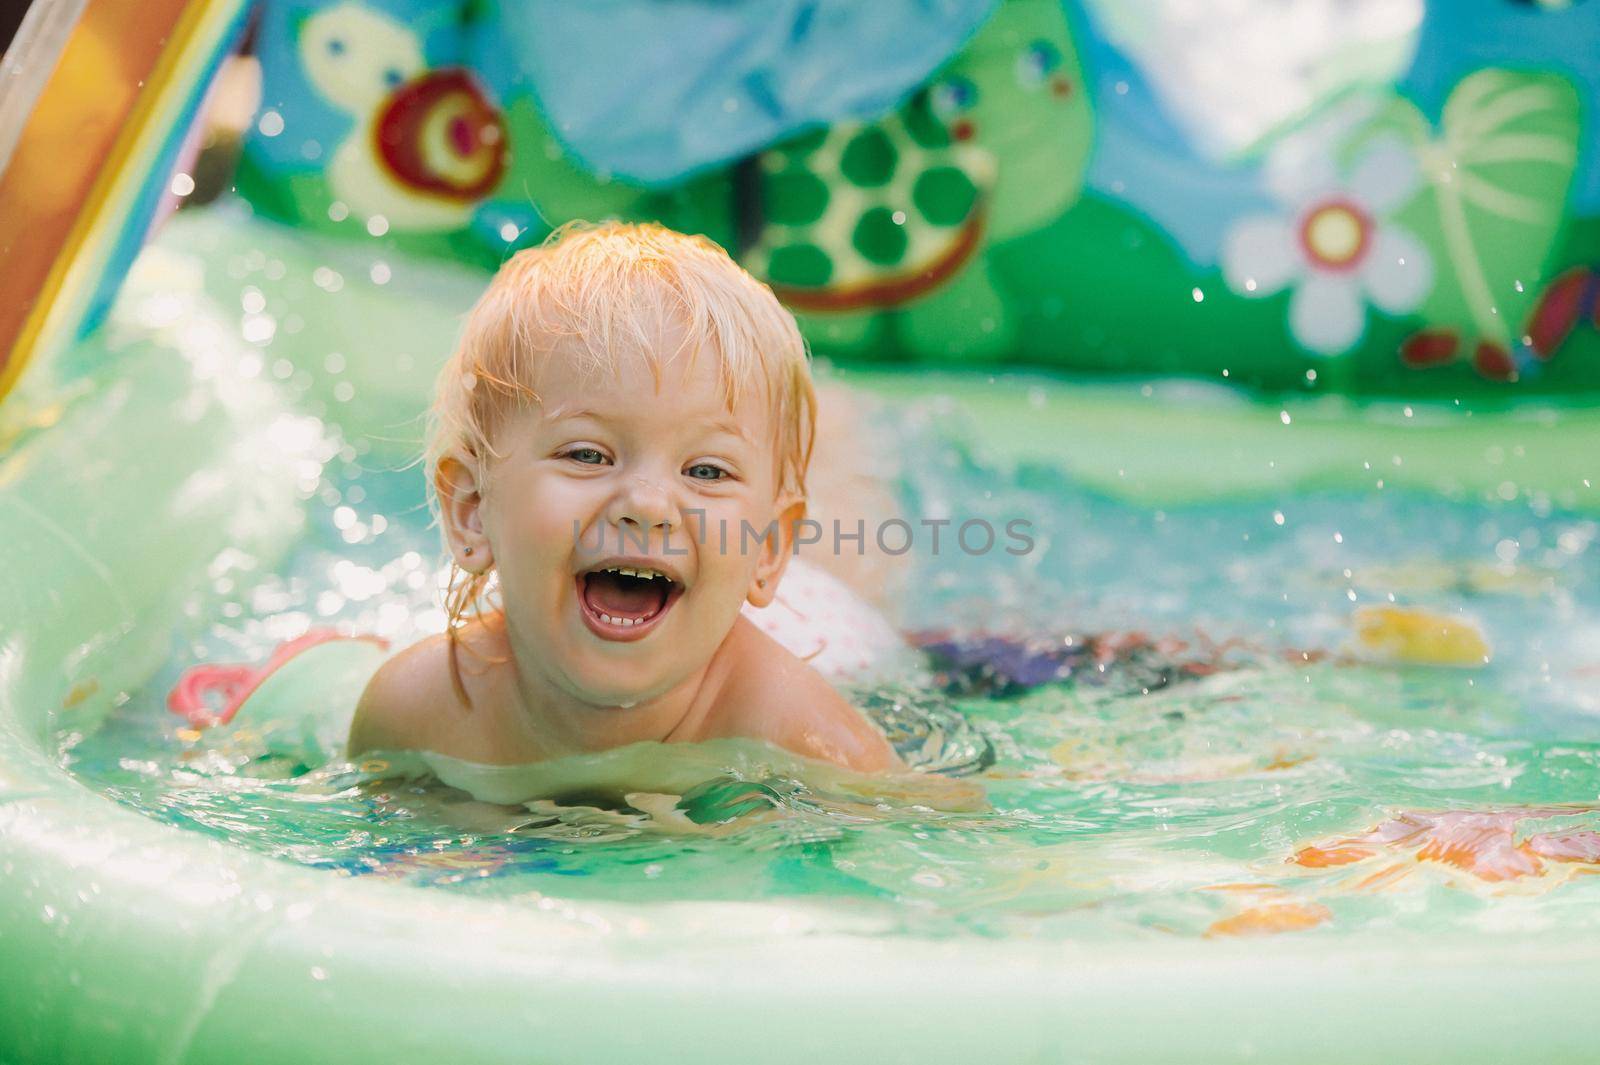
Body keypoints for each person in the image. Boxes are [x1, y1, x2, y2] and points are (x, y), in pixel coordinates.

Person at [347, 220, 906, 775]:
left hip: (823, 628)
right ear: (472, 510)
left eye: (706, 469)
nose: (646, 504)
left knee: (852, 544)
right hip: (694, 564)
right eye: (587, 456)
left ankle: (836, 427)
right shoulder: (414, 718)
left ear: (769, 550)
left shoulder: (808, 744)